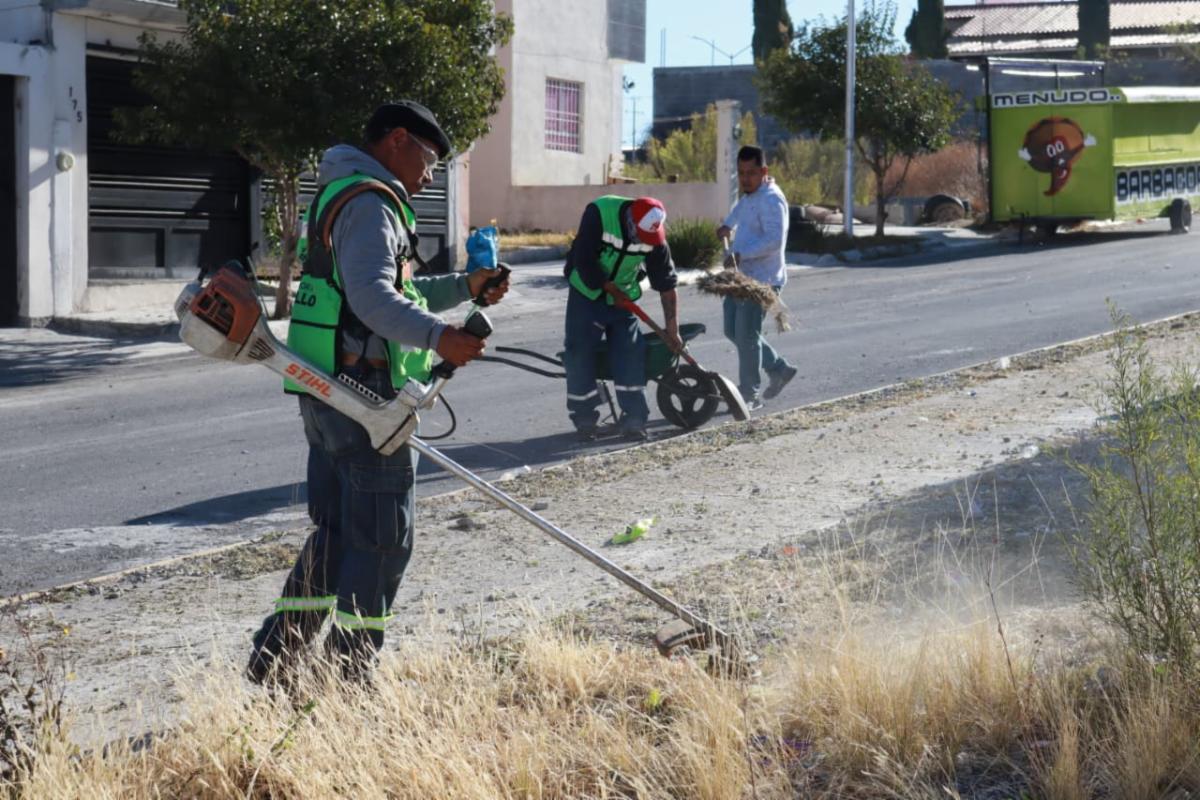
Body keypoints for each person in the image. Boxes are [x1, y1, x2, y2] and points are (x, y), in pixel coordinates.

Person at [247, 101, 509, 685]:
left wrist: (466, 287)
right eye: (430, 159)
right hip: (365, 401)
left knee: (339, 536)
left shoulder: (343, 193)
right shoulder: (371, 203)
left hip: (329, 392)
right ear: (397, 140)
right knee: (384, 541)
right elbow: (372, 300)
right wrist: (441, 337)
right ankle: (347, 676)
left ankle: (277, 660)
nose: (431, 175)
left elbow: (389, 293)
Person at [563, 195, 680, 441]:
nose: (644, 241)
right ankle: (584, 420)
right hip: (586, 293)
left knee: (630, 352)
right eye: (640, 235)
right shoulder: (599, 212)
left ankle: (634, 420)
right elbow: (583, 259)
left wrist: (673, 330)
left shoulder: (655, 237)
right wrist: (610, 290)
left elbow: (666, 284)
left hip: (624, 298)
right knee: (578, 352)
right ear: (630, 221)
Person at [715, 145, 798, 410]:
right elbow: (740, 210)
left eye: (751, 173)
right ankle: (779, 368)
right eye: (741, 173)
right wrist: (727, 225)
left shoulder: (772, 200)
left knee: (747, 336)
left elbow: (774, 241)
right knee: (732, 330)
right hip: (742, 277)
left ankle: (748, 395)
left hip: (763, 279)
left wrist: (741, 254)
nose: (745, 178)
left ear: (764, 171)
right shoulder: (751, 196)